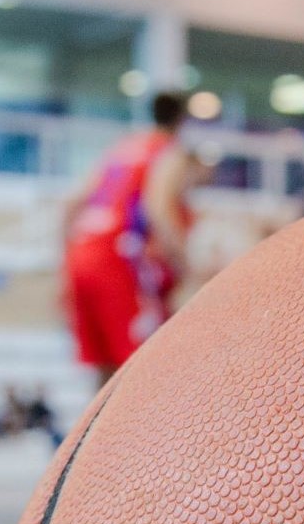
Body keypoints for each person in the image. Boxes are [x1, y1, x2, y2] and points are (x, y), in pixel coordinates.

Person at [62, 93, 203, 385]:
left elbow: (71, 204)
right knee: (139, 369)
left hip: (81, 254)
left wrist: (63, 260)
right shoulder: (170, 151)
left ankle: (102, 432)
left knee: (104, 371)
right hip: (118, 258)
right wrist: (188, 267)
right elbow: (160, 208)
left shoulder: (120, 148)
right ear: (182, 120)